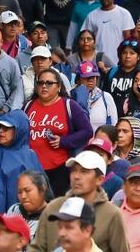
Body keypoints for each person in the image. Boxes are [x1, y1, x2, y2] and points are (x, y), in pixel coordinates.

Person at [26, 150, 133, 252]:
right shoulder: (54, 207)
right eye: (74, 171)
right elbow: (37, 250)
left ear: (100, 179)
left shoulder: (111, 214)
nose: (76, 176)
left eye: (84, 172)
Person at [24, 67, 93, 197]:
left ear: (59, 86)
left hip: (59, 169)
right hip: (31, 168)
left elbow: (87, 131)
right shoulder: (28, 106)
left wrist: (63, 141)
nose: (44, 86)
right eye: (40, 83)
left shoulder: (69, 105)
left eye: (49, 83)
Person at [80, 0, 136, 67]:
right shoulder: (91, 15)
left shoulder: (124, 13)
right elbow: (85, 37)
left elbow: (128, 38)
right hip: (97, 60)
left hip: (119, 60)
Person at [6, 170, 53, 241]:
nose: (23, 196)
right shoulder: (14, 210)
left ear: (42, 190)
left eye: (27, 190)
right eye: (19, 192)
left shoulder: (52, 219)